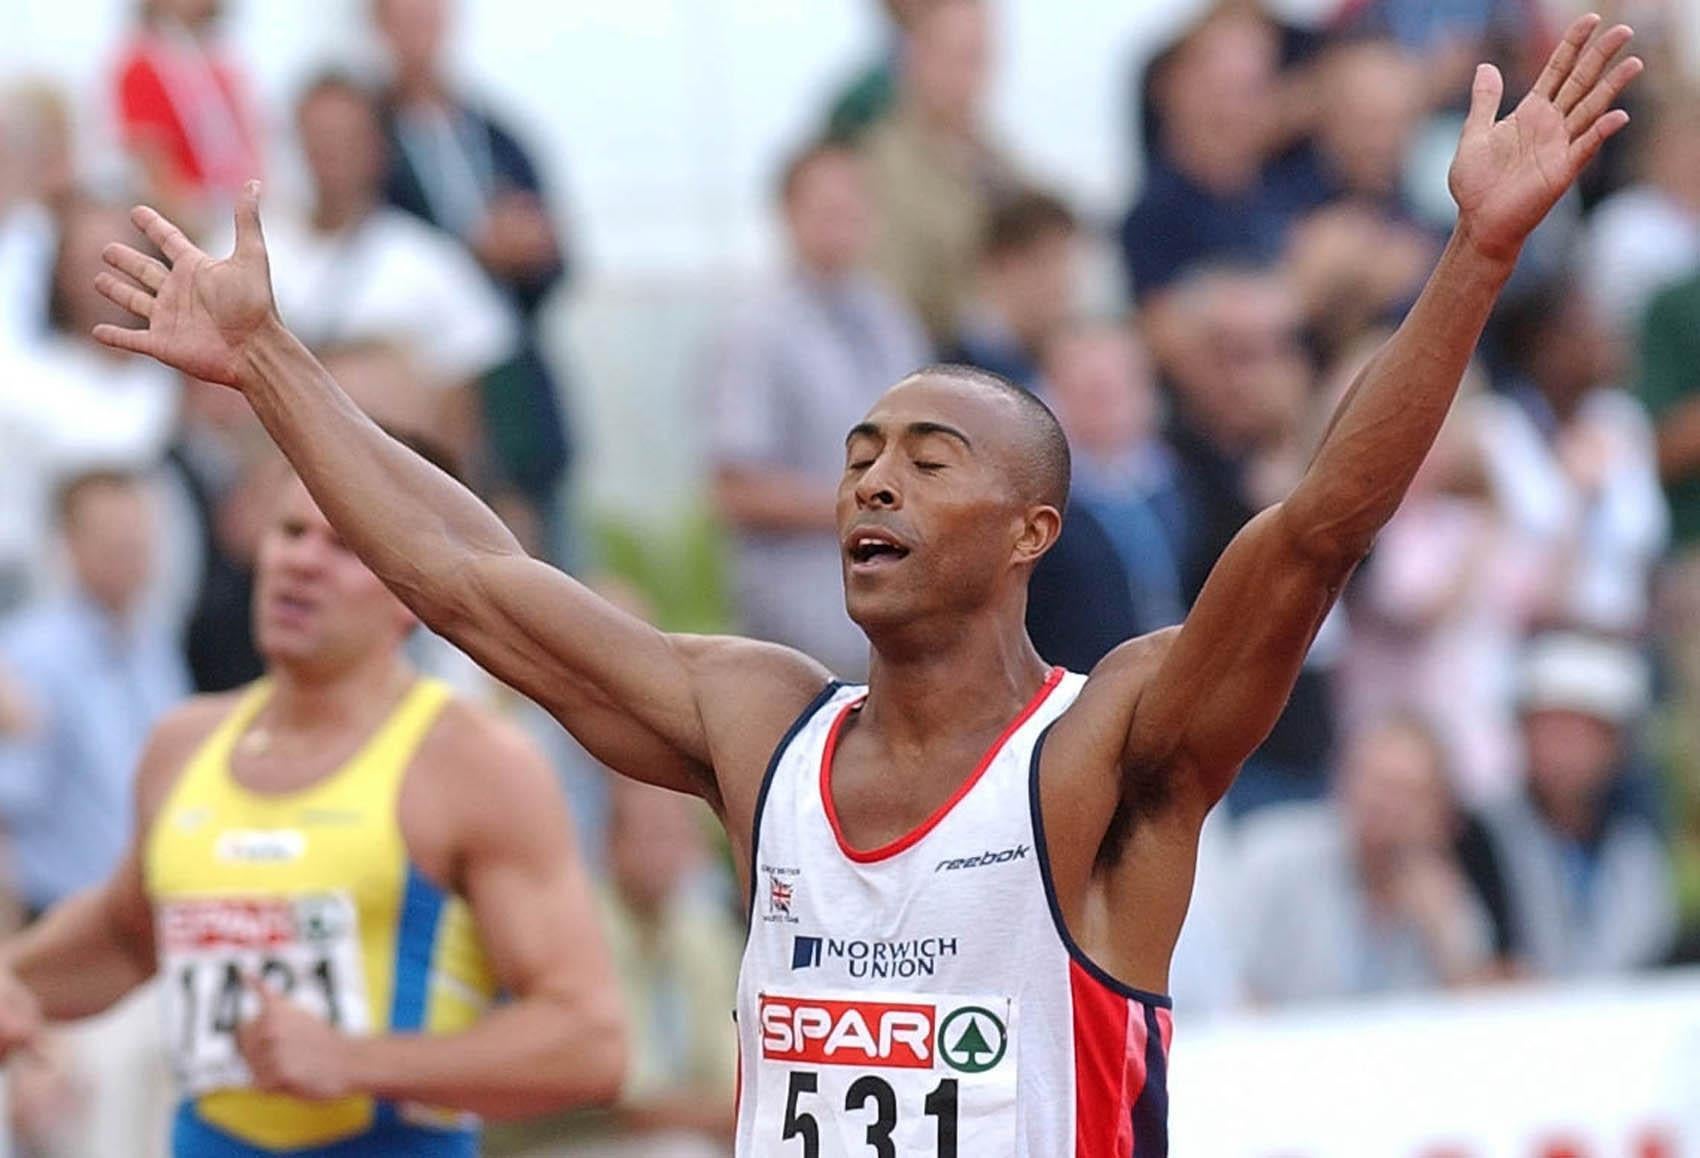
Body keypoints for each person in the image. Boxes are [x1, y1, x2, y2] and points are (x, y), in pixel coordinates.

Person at [88, 17, 1639, 1152]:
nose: (872, 480)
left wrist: (1476, 258)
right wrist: (271, 362)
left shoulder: (1108, 746)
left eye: (927, 456)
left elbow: (1312, 531)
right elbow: (469, 577)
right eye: (856, 452)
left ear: (1034, 530)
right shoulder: (759, 721)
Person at [0, 455, 627, 1155]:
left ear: (412, 589)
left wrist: (353, 1061)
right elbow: (124, 936)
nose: (302, 562)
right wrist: (12, 982)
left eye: (344, 546)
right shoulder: (183, 745)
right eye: (291, 532)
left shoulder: (472, 762)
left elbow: (589, 1042)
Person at [705, 141, 929, 680]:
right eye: (825, 209)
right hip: (800, 622)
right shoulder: (756, 331)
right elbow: (735, 489)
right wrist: (868, 505)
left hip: (896, 623)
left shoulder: (890, 320)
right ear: (787, 215)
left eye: (854, 208)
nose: (841, 224)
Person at [374, 0, 575, 545]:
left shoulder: (498, 134)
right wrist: (474, 250)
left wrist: (532, 246)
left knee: (552, 578)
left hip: (518, 400)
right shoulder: (371, 140)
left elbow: (560, 257)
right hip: (424, 393)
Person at [260, 73, 517, 475]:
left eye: (345, 137)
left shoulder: (431, 261)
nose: (330, 153)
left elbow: (462, 413)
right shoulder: (252, 245)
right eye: (318, 136)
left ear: (378, 146)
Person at [492, 779, 740, 1158]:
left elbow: (728, 1072)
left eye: (675, 835)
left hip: (674, 1134)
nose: (662, 852)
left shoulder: (703, 932)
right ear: (610, 845)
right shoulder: (582, 926)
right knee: (681, 1152)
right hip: (556, 1142)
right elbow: (635, 1106)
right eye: (649, 835)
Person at [1236, 716, 1504, 1004]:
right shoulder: (1274, 855)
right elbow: (1228, 985)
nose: (1386, 805)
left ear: (1444, 816)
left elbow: (1478, 1017)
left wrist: (1444, 937)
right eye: (1377, 784)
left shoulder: (1444, 893)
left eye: (1408, 793)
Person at [1484, 631, 1676, 977]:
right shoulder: (1480, 839)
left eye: (1580, 733)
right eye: (1548, 729)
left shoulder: (1638, 850)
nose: (1562, 750)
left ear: (1615, 746)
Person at [860, 0, 1022, 344]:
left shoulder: (1002, 160)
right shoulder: (882, 169)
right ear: (916, 60)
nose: (972, 77)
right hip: (939, 368)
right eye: (958, 58)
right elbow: (891, 310)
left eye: (979, 58)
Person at [112, 0, 263, 227]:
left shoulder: (220, 67)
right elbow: (151, 164)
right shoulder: (142, 67)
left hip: (235, 216)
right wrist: (202, 228)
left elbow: (250, 152)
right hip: (192, 230)